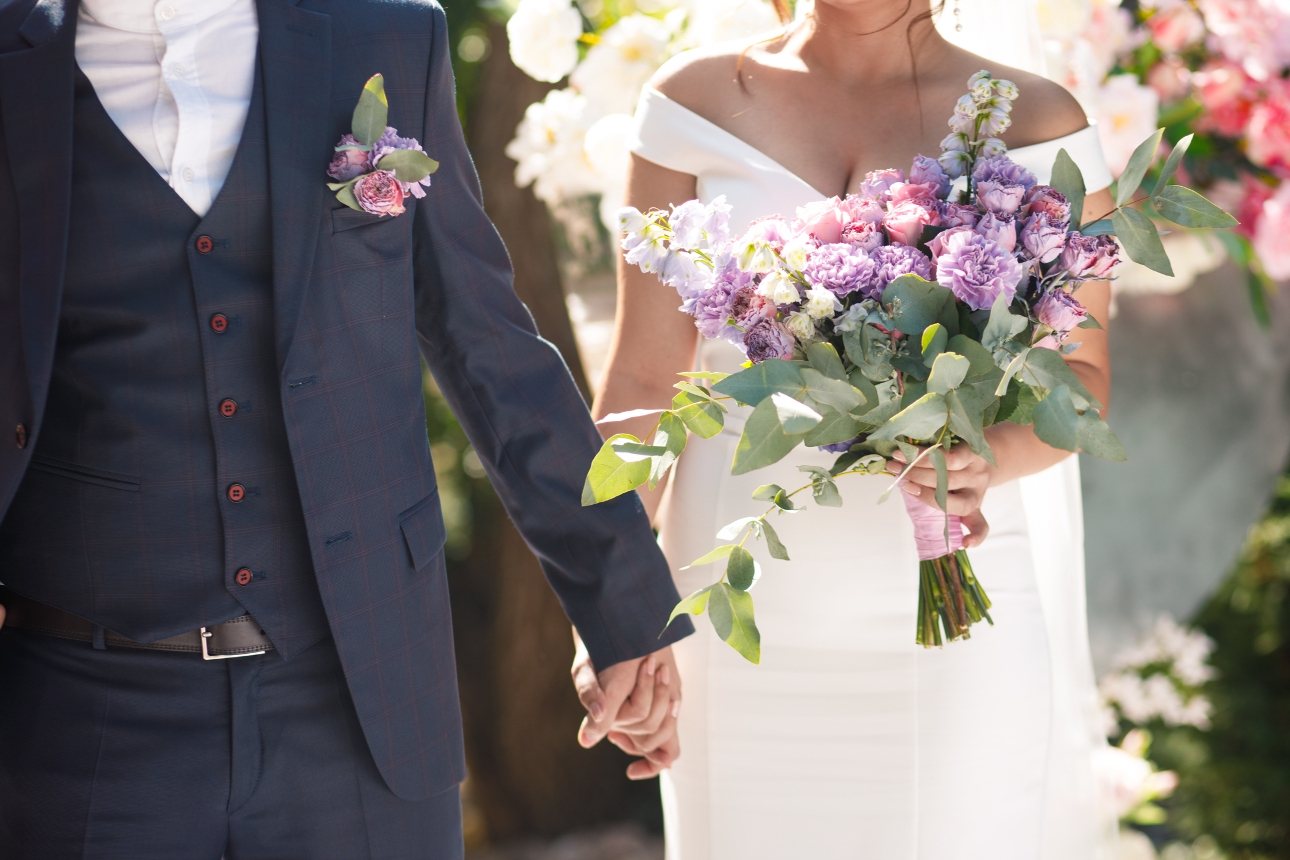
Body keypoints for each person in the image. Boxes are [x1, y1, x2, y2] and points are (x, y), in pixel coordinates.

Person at [0, 0, 687, 856]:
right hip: (84, 715)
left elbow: (485, 343)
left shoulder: (381, 37)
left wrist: (622, 606)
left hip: (362, 703)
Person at [586, 0, 1120, 856]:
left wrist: (986, 459)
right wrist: (608, 601)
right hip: (735, 618)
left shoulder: (1039, 121)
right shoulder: (690, 103)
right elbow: (644, 386)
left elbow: (1084, 387)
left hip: (956, 622)